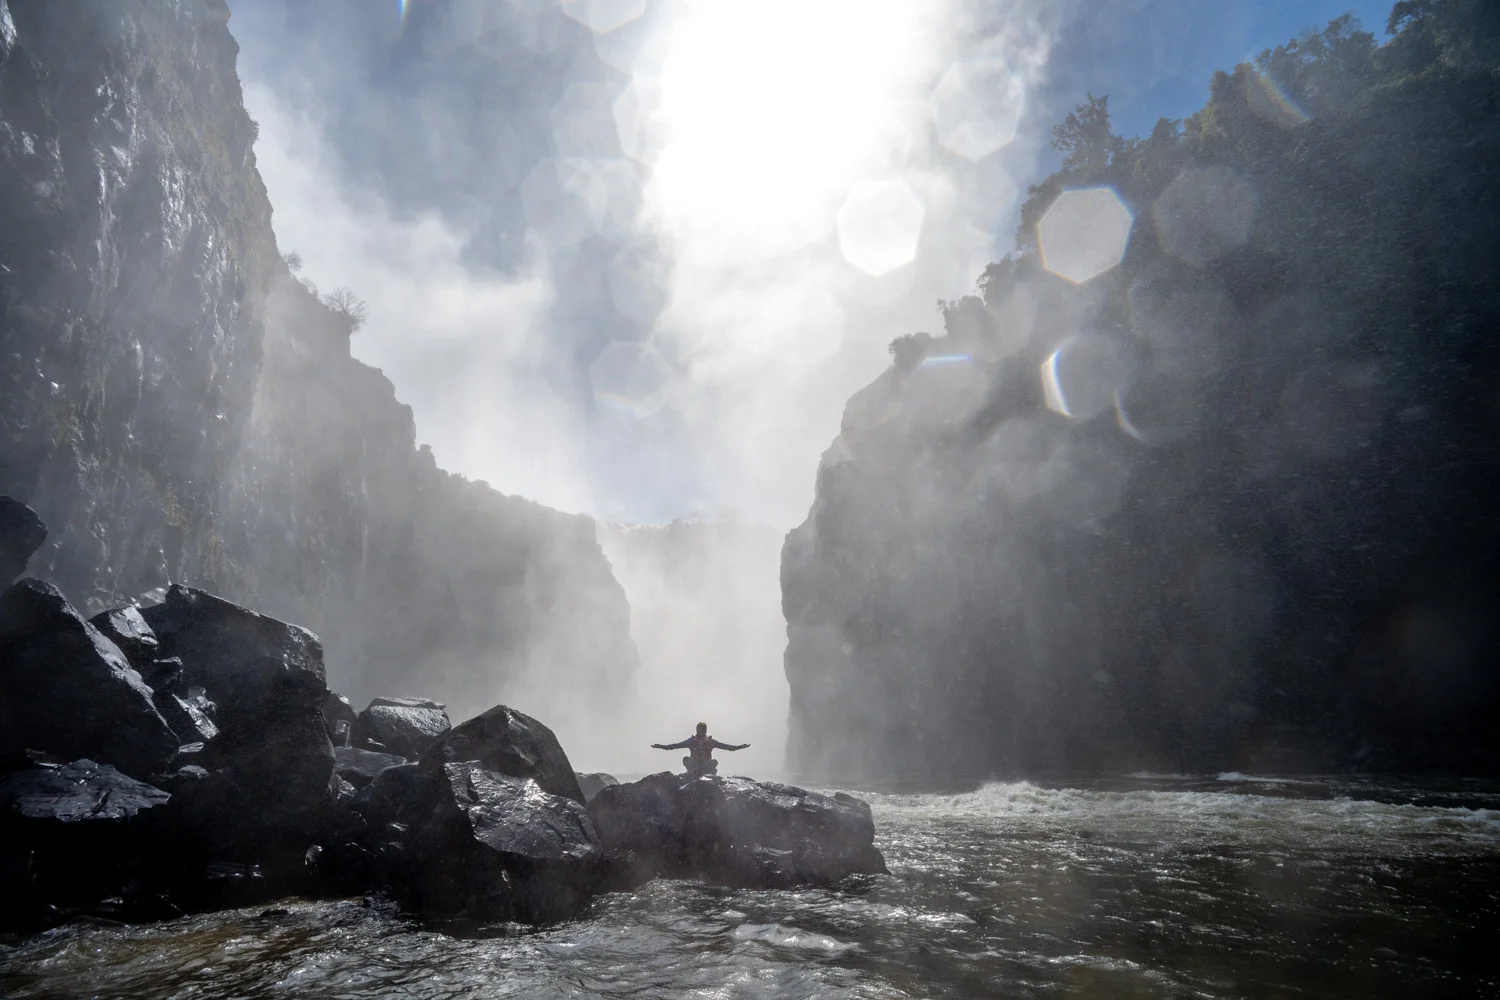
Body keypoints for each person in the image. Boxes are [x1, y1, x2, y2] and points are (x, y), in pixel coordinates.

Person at [651, 722, 750, 777]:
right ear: (697, 730)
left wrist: (740, 747)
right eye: (700, 729)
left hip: (705, 766)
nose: (702, 731)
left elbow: (728, 747)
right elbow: (675, 746)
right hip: (694, 766)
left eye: (703, 729)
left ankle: (701, 771)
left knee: (714, 761)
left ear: (706, 730)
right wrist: (661, 746)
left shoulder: (711, 741)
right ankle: (694, 771)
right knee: (685, 759)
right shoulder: (691, 741)